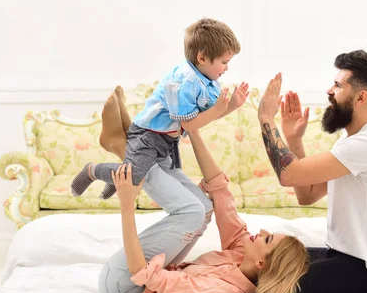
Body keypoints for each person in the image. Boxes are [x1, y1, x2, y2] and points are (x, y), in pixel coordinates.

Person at [99, 120, 309, 293]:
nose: (262, 231)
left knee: (192, 213)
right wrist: (193, 131)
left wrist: (127, 204)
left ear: (261, 264)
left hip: (127, 288)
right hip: (139, 278)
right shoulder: (240, 255)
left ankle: (130, 149)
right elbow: (220, 193)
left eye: (268, 238)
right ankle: (141, 147)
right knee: (205, 209)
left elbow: (142, 273)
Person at [255, 50, 367, 293]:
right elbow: (307, 196)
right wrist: (294, 140)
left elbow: (288, 174)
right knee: (269, 270)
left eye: (337, 85)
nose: (329, 91)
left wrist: (266, 119)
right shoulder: (350, 141)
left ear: (361, 97)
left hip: (365, 269)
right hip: (339, 256)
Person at [70, 18, 249, 200]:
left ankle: (118, 174)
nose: (226, 69)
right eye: (224, 62)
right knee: (133, 176)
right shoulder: (184, 83)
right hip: (148, 134)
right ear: (202, 58)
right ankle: (92, 171)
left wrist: (232, 105)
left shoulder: (206, 80)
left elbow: (206, 117)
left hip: (165, 138)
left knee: (161, 178)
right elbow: (190, 125)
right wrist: (219, 108)